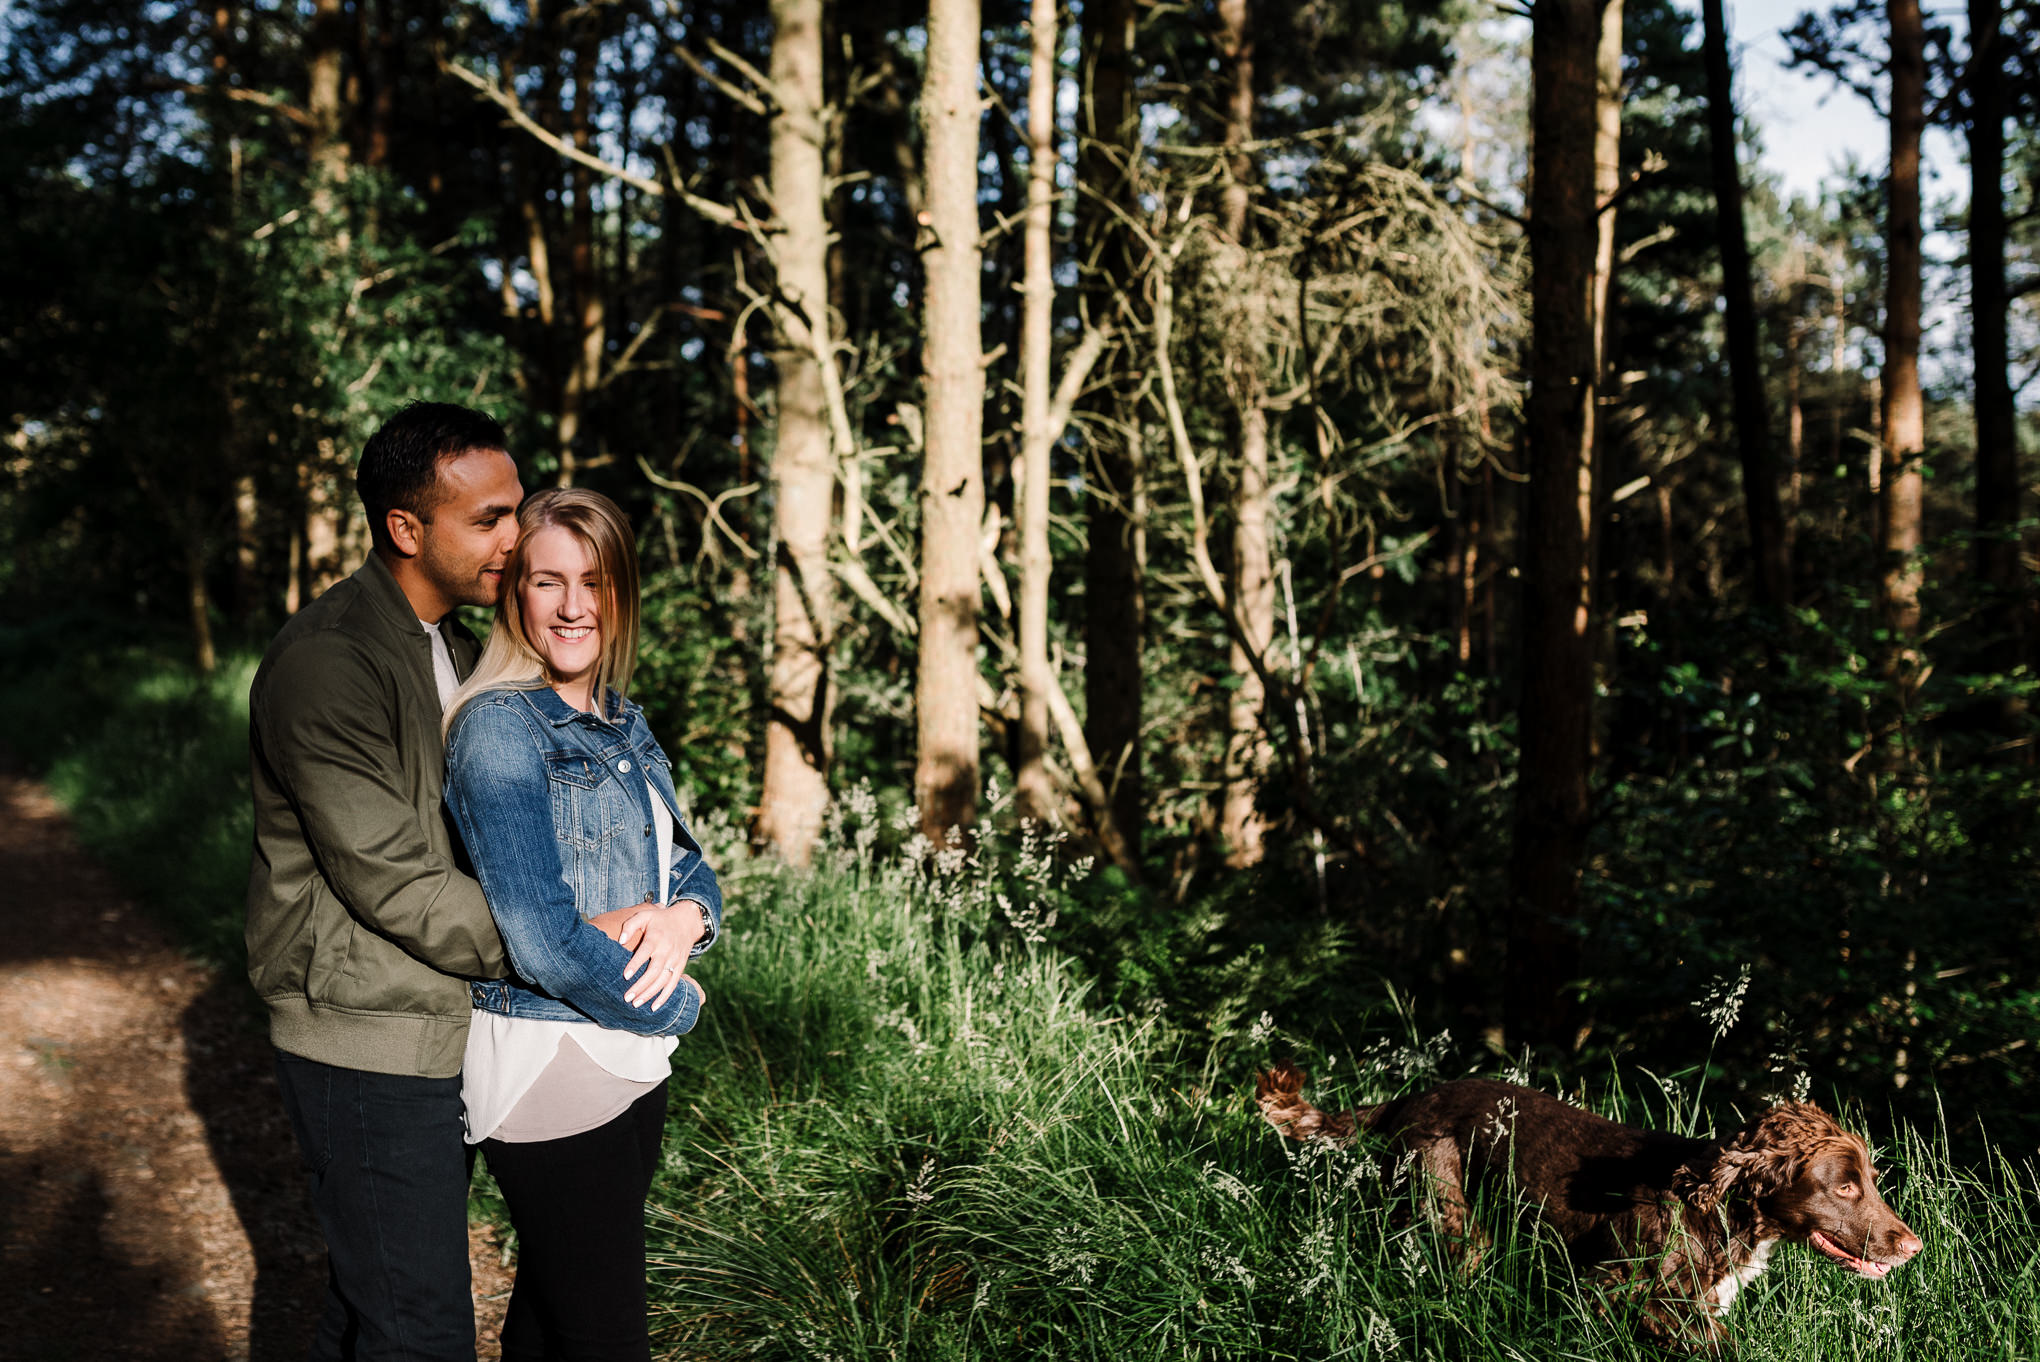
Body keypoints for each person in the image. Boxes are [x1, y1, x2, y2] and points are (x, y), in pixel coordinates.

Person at [246, 402, 523, 1361]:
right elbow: (397, 881)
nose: (514, 538)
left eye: (515, 510)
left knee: (371, 1309)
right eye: (488, 520)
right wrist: (563, 951)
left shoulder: (452, 646)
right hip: (365, 1038)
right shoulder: (330, 663)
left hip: (436, 1018)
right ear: (406, 529)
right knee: (425, 1333)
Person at [441, 487, 721, 1362]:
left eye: (592, 581)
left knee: (550, 1322)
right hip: (549, 1061)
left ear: (619, 591)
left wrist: (685, 918)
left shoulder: (622, 720)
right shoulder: (499, 729)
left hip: (624, 1048)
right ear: (514, 593)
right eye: (546, 580)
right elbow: (542, 941)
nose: (571, 605)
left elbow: (688, 862)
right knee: (606, 1340)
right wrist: (682, 1004)